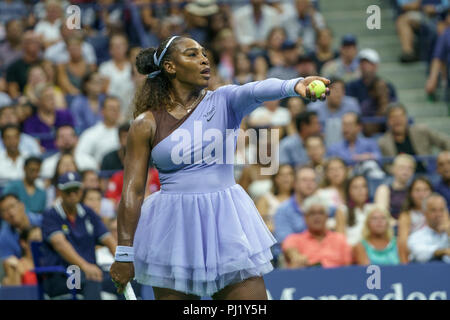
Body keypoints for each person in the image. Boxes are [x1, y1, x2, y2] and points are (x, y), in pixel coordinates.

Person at [109, 36, 330, 300]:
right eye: (192, 54)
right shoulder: (145, 123)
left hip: (226, 223)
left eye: (204, 53)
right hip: (174, 229)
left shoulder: (225, 100)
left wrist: (294, 85)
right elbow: (132, 192)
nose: (204, 59)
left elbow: (256, 89)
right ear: (170, 67)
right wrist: (124, 253)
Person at [41, 172, 117, 299]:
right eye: (68, 190)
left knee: (125, 280)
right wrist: (85, 266)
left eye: (75, 190)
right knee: (90, 280)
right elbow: (60, 245)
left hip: (90, 272)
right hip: (62, 276)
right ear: (59, 192)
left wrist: (122, 263)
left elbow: (109, 239)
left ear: (81, 191)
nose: (72, 194)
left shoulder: (88, 213)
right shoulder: (51, 215)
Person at [282, 194, 352, 268]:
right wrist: (296, 257)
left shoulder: (340, 240)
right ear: (305, 217)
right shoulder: (294, 239)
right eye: (312, 213)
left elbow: (349, 268)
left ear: (327, 216)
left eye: (321, 213)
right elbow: (290, 251)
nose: (317, 217)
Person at [378, 103, 450, 173]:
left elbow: (445, 141)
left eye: (400, 116)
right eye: (393, 117)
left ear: (406, 117)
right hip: (402, 178)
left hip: (428, 173)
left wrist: (445, 157)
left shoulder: (422, 131)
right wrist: (394, 170)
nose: (397, 120)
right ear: (388, 121)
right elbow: (385, 166)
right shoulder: (383, 142)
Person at [273, 166, 318, 260]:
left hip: (319, 256)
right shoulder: (283, 210)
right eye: (304, 180)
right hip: (291, 259)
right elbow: (286, 242)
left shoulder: (323, 208)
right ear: (295, 184)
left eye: (313, 180)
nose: (309, 184)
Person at [307, 78, 360, 147]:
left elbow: (358, 127)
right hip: (321, 144)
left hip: (347, 143)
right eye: (334, 90)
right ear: (326, 91)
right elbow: (309, 130)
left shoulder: (352, 105)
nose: (337, 93)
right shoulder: (313, 108)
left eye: (340, 90)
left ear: (344, 92)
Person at [22, 83, 74, 152]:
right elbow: (30, 146)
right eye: (48, 97)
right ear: (38, 100)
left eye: (53, 97)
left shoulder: (66, 115)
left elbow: (75, 138)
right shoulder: (30, 123)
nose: (52, 100)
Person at [397, 177, 433, 263]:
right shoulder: (406, 215)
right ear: (411, 194)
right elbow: (403, 243)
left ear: (431, 192)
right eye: (417, 190)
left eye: (425, 190)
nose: (422, 194)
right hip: (415, 258)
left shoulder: (440, 213)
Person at [76, 96, 121, 164]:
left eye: (117, 109)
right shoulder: (91, 133)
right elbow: (80, 155)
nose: (115, 111)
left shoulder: (126, 132)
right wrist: (94, 166)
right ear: (102, 111)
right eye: (111, 109)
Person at [407, 194, 450, 263]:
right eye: (434, 210)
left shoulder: (448, 234)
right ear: (425, 213)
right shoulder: (416, 236)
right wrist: (443, 251)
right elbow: (419, 254)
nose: (438, 214)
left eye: (441, 210)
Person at [0, 194, 42, 261]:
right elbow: (8, 263)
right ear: (2, 217)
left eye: (12, 206)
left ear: (22, 206)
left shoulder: (42, 221)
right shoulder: (3, 237)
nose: (11, 213)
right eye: (5, 210)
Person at [375, 154, 416, 220]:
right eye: (402, 167)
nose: (406, 171)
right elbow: (381, 215)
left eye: (410, 168)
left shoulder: (413, 191)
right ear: (394, 169)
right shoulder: (384, 190)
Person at [256, 164, 294, 233]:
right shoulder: (265, 199)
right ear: (275, 179)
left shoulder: (300, 198)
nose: (286, 178)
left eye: (289, 174)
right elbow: (260, 225)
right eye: (282, 175)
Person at [335, 175, 372, 246]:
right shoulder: (342, 210)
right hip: (350, 249)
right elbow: (340, 240)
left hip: (370, 250)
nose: (360, 190)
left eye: (363, 186)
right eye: (355, 187)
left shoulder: (372, 209)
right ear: (349, 191)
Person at [5, 30, 42, 99]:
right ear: (23, 44)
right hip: (25, 101)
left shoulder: (44, 63)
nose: (35, 44)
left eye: (37, 41)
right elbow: (14, 93)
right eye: (31, 41)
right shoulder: (14, 67)